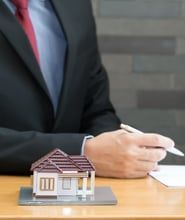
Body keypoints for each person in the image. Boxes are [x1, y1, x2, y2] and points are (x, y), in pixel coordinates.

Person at [0, 0, 174, 178]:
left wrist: (116, 149)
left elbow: (96, 107)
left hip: (77, 193)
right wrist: (81, 154)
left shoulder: (75, 5)